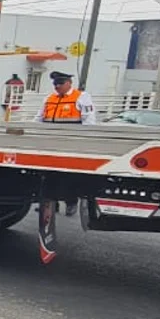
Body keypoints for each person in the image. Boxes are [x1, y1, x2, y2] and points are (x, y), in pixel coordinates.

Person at [35, 71, 96, 215]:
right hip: (50, 143)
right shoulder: (49, 98)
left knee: (69, 176)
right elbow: (39, 118)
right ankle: (50, 204)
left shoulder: (81, 97)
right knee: (48, 175)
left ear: (69, 83)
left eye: (60, 83)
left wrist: (84, 142)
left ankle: (71, 203)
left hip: (71, 143)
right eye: (55, 84)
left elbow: (89, 121)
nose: (57, 87)